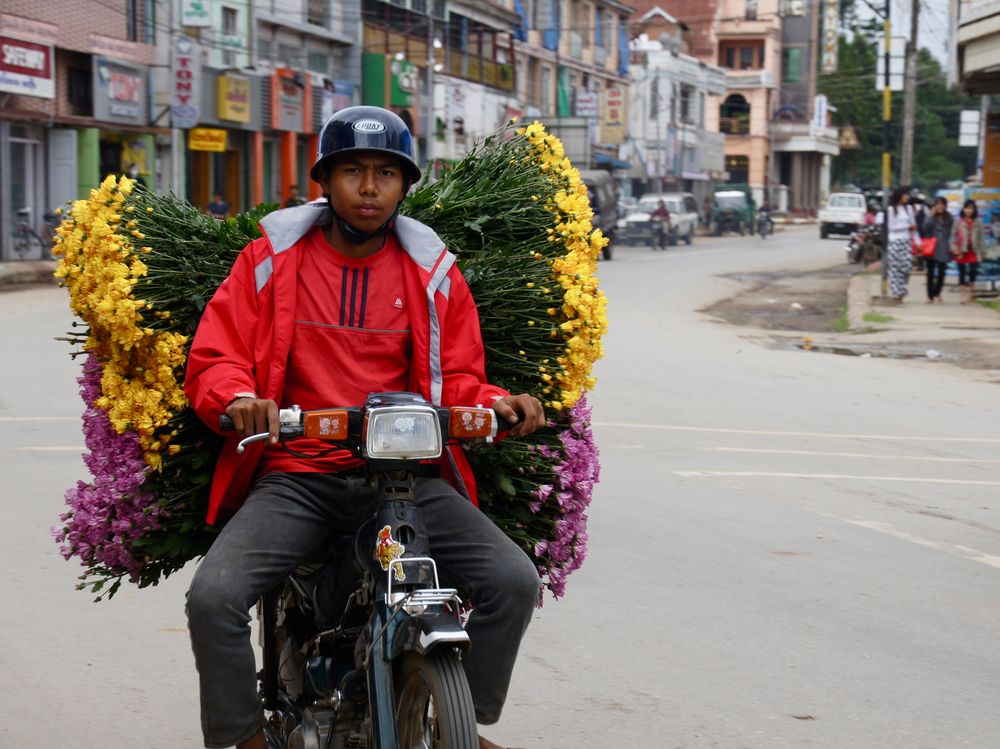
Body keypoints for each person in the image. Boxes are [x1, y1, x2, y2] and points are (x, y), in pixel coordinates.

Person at [183, 106, 546, 749]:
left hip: (402, 481)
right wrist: (238, 397)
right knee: (213, 598)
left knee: (514, 582)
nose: (370, 187)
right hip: (298, 476)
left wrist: (497, 403)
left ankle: (459, 720)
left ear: (406, 184)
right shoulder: (271, 260)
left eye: (386, 172)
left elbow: (457, 378)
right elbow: (218, 355)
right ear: (325, 180)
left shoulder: (433, 274)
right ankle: (243, 738)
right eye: (353, 170)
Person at [883, 186, 918, 303]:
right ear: (899, 196)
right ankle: (896, 293)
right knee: (895, 268)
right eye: (905, 194)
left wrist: (918, 242)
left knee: (906, 267)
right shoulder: (891, 210)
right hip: (894, 240)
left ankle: (901, 290)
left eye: (908, 195)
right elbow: (891, 227)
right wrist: (907, 227)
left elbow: (914, 227)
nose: (907, 197)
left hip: (906, 241)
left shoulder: (909, 209)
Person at [920, 197, 955, 304]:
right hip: (931, 247)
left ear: (945, 205)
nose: (940, 206)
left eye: (942, 204)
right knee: (930, 272)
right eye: (938, 204)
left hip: (944, 247)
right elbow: (924, 228)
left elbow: (952, 232)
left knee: (941, 272)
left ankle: (937, 292)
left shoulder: (949, 218)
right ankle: (930, 296)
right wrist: (931, 216)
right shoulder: (930, 217)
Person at [953, 198, 985, 304]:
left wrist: (982, 252)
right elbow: (952, 236)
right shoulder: (958, 221)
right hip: (961, 250)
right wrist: (954, 249)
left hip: (974, 251)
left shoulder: (978, 221)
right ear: (963, 209)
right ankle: (963, 295)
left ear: (974, 210)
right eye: (967, 208)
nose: (969, 210)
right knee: (961, 273)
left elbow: (981, 238)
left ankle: (970, 292)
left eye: (971, 208)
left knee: (972, 271)